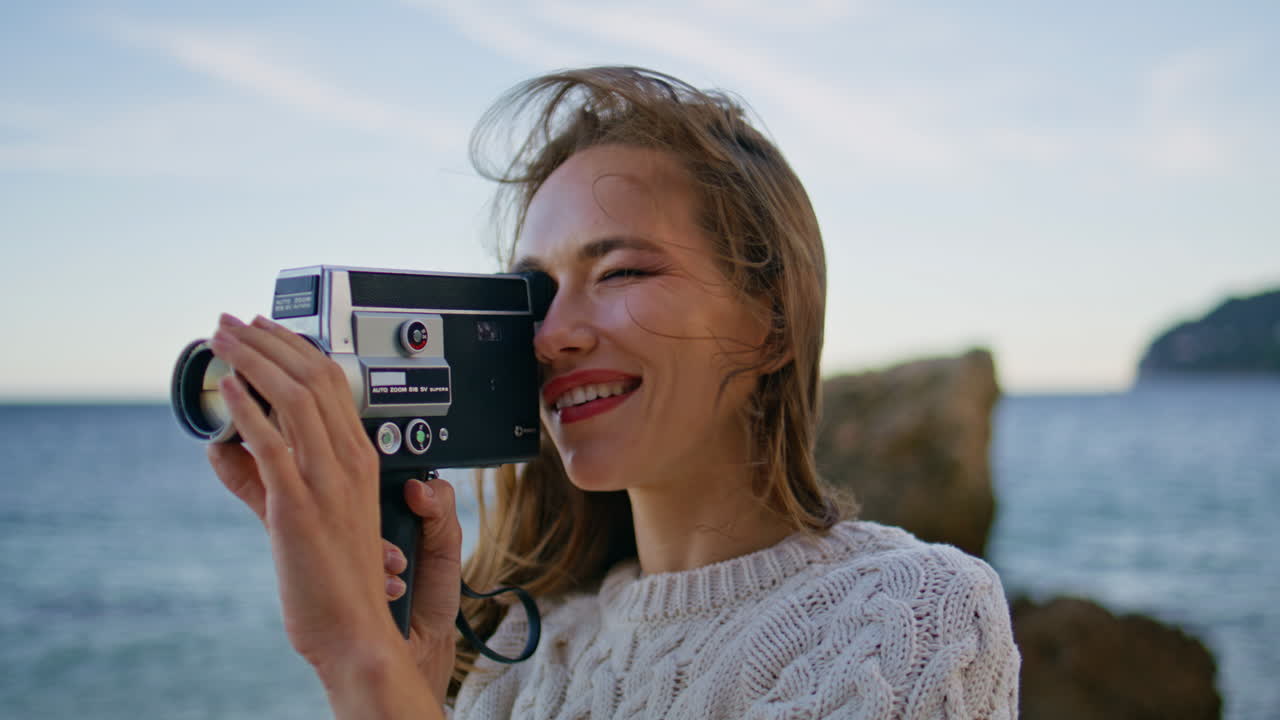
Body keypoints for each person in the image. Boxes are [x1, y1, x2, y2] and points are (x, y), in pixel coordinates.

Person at [205, 66, 1021, 719]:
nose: (552, 334)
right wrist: (409, 683)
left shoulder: (909, 617)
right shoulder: (524, 662)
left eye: (621, 271)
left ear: (771, 322)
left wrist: (358, 659)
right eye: (533, 292)